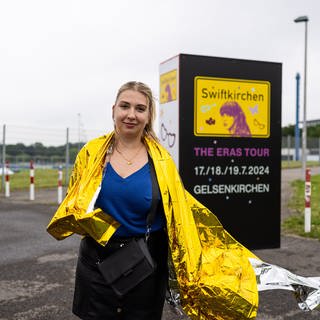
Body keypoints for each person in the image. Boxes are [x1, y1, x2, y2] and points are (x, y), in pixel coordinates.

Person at [47, 81, 259, 319]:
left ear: (148, 116)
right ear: (113, 110)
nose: (131, 115)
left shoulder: (161, 161)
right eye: (125, 106)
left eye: (140, 109)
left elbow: (178, 214)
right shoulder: (91, 154)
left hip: (144, 266)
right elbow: (76, 203)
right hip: (97, 265)